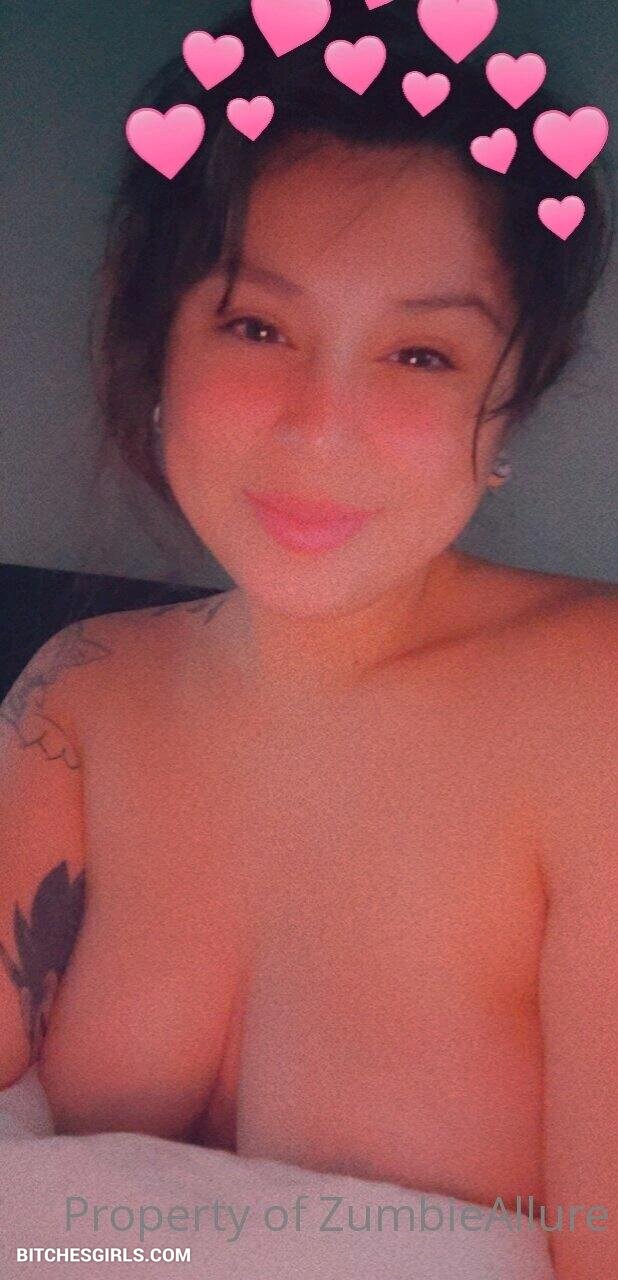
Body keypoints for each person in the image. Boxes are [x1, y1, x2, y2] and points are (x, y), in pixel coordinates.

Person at [1, 3, 616, 1277]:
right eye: (258, 327)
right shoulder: (82, 695)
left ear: (509, 402)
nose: (321, 424)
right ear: (154, 342)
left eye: (421, 353)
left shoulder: (594, 707)